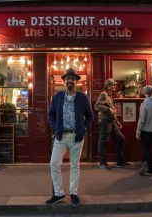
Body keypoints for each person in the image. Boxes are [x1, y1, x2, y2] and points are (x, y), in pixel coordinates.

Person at [46, 68, 94, 207]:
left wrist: (84, 128)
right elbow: (50, 114)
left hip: (76, 136)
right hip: (61, 136)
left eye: (73, 79)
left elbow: (90, 115)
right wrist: (55, 127)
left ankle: (73, 193)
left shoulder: (83, 97)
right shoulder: (57, 97)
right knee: (54, 163)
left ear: (76, 81)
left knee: (74, 166)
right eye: (68, 79)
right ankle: (59, 193)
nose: (70, 81)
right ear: (64, 81)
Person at [94, 78, 131, 170]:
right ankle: (102, 163)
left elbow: (112, 109)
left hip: (111, 121)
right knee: (104, 141)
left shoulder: (110, 95)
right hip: (105, 120)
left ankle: (120, 162)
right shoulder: (104, 94)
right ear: (107, 86)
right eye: (112, 85)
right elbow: (97, 106)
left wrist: (117, 121)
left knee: (120, 138)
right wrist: (108, 109)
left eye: (115, 85)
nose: (114, 86)